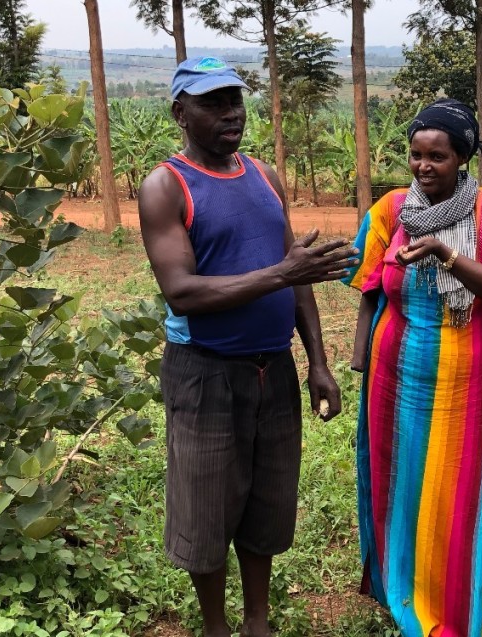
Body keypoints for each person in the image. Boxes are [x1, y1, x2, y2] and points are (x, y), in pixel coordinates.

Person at [138, 56, 358, 637]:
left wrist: (318, 362)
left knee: (267, 501)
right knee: (207, 508)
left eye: (234, 100)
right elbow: (182, 291)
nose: (231, 112)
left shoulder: (262, 174)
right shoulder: (167, 185)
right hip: (205, 372)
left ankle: (257, 620)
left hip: (274, 370)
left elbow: (297, 276)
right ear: (179, 113)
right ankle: (216, 626)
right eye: (212, 103)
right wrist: (284, 273)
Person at [343, 98, 482, 637]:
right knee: (395, 480)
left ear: (462, 158)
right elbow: (370, 290)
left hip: (464, 377)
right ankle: (398, 589)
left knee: (458, 489)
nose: (424, 167)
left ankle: (451, 609)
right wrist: (358, 356)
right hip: (392, 373)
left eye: (438, 157)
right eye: (416, 155)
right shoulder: (389, 211)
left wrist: (445, 255)